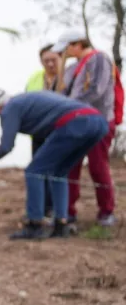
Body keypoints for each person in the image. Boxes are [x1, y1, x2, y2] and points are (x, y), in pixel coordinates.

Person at [0, 88, 109, 240]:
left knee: (34, 171)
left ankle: (34, 224)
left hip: (75, 122)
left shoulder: (10, 108)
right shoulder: (26, 101)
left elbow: (6, 146)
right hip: (98, 122)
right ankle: (61, 224)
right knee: (59, 173)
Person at [50, 30, 119, 227]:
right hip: (76, 123)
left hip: (98, 121)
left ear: (77, 44)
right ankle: (67, 211)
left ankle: (106, 211)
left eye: (66, 49)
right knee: (71, 167)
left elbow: (95, 90)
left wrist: (68, 106)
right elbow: (62, 91)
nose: (64, 53)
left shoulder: (100, 59)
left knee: (98, 167)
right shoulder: (72, 67)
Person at [26, 44, 64, 217]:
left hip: (60, 131)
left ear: (61, 58)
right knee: (38, 170)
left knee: (56, 172)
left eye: (53, 60)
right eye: (45, 60)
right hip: (39, 131)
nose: (49, 64)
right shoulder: (35, 78)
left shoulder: (68, 77)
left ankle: (57, 208)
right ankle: (41, 207)